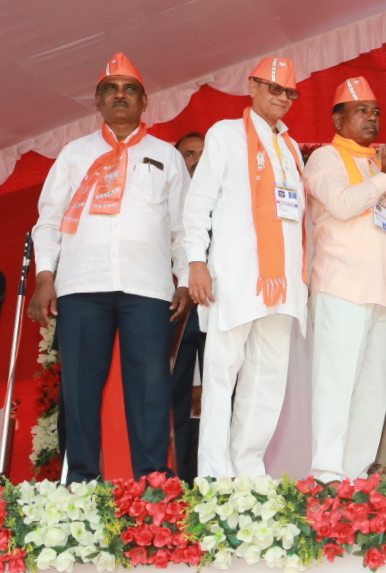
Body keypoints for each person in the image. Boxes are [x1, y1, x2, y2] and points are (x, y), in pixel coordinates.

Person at [30, 53, 190, 483]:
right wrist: (46, 275)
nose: (120, 96)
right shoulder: (73, 154)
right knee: (80, 389)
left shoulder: (166, 157)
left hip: (149, 287)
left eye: (130, 89)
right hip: (81, 285)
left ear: (144, 102)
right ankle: (80, 485)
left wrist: (187, 279)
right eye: (110, 89)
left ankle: (152, 487)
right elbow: (47, 220)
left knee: (151, 389)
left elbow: (183, 227)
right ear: (97, 101)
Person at [185, 56, 308, 478]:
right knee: (221, 374)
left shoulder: (291, 148)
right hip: (235, 276)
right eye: (274, 88)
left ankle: (249, 466)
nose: (283, 98)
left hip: (284, 283)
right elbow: (198, 202)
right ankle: (215, 476)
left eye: (290, 92)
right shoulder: (226, 134)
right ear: (252, 86)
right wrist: (196, 263)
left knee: (269, 376)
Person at [305, 77, 386, 480]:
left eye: (376, 112)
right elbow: (340, 205)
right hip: (340, 290)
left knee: (372, 394)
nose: (372, 118)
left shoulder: (383, 165)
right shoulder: (325, 157)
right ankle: (325, 475)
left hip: (383, 300)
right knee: (336, 385)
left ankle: (354, 481)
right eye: (362, 111)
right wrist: (383, 179)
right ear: (338, 119)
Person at [171, 130, 209, 482]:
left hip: (219, 310)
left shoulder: (223, 199)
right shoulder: (166, 200)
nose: (196, 160)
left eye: (202, 153)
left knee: (222, 401)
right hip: (178, 312)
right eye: (189, 154)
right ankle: (179, 483)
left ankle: (218, 481)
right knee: (176, 400)